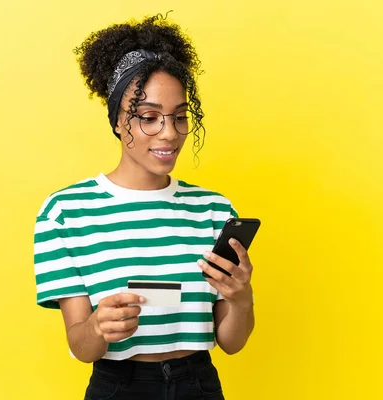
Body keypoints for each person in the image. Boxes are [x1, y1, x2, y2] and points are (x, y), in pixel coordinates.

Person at [33, 13, 255, 400]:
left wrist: (241, 298)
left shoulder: (214, 210)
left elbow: (232, 342)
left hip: (198, 384)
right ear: (118, 120)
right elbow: (82, 348)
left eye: (180, 118)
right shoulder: (65, 212)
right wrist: (98, 327)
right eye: (149, 118)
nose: (169, 133)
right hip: (118, 386)